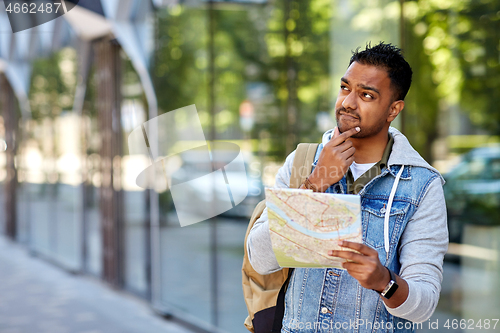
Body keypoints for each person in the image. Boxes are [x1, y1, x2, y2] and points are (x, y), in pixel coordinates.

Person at [246, 42, 448, 332]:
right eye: (345, 88)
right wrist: (316, 183)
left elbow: (424, 304)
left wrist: (384, 282)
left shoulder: (421, 185)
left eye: (366, 94)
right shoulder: (302, 162)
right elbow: (261, 260)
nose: (348, 103)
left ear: (394, 109)